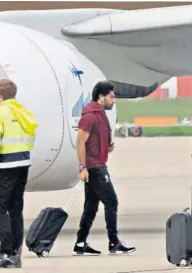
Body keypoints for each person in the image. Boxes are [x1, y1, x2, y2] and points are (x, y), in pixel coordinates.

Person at [73, 80, 136, 256]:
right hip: (95, 168)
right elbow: (80, 143)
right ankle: (114, 242)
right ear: (101, 97)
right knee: (111, 201)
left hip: (98, 164)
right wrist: (82, 167)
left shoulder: (101, 115)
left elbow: (97, 139)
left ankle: (80, 243)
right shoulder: (90, 117)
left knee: (91, 207)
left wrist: (105, 147)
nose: (114, 100)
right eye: (111, 97)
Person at [0, 79, 38, 269]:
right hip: (23, 162)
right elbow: (31, 136)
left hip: (5, 165)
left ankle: (5, 252)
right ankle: (16, 254)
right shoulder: (22, 111)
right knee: (15, 209)